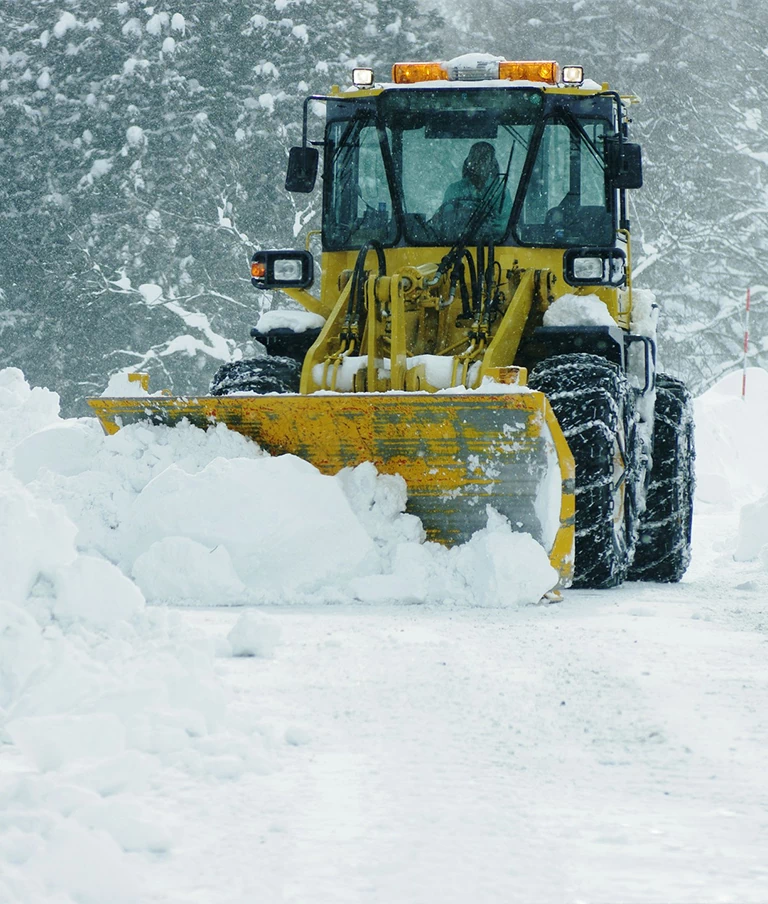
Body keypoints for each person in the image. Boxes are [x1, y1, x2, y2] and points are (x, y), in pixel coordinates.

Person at [431, 141, 513, 241]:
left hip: (492, 249)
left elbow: (504, 226)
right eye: (474, 158)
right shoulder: (454, 189)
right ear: (468, 163)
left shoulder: (500, 192)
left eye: (483, 159)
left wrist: (484, 231)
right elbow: (446, 221)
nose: (477, 162)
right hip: (454, 247)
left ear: (492, 165)